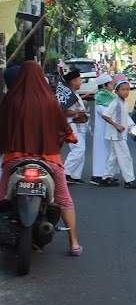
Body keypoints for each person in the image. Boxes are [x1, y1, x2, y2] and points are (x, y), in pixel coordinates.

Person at [0, 61, 82, 255]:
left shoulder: (11, 99)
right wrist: (72, 138)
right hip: (49, 160)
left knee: (2, 195)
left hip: (15, 160)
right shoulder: (49, 100)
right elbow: (64, 128)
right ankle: (74, 243)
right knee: (63, 198)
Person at [100, 76, 136, 189]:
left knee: (114, 157)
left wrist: (129, 127)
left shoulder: (124, 103)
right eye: (123, 89)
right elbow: (105, 115)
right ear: (116, 91)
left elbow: (124, 117)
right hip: (116, 134)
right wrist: (117, 125)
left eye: (127, 89)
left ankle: (106, 178)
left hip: (120, 134)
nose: (126, 92)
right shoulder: (115, 102)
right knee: (125, 157)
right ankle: (129, 180)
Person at [62, 70, 90, 184]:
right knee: (79, 149)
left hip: (80, 126)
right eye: (79, 80)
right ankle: (64, 173)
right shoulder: (68, 95)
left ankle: (75, 175)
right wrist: (78, 112)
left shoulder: (75, 94)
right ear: (73, 81)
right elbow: (65, 111)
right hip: (72, 126)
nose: (81, 82)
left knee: (80, 151)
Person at [90, 74, 115, 186]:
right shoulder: (101, 97)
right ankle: (98, 176)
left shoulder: (110, 96)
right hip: (103, 129)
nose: (112, 85)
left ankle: (107, 175)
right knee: (102, 152)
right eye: (110, 84)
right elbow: (105, 112)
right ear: (104, 85)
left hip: (109, 128)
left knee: (109, 151)